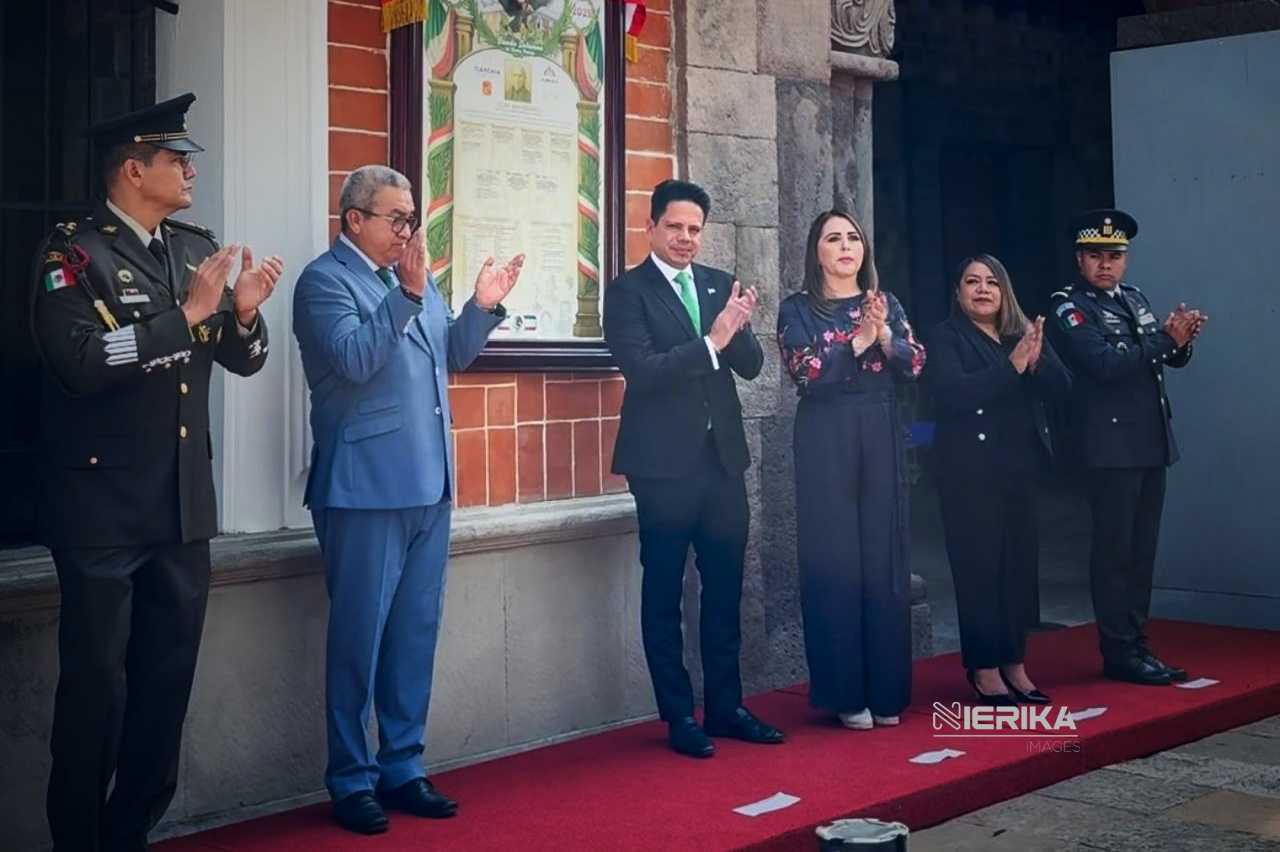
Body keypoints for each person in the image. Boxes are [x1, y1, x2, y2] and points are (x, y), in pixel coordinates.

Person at [32, 92, 280, 852]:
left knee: (165, 690)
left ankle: (130, 832)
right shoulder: (72, 255)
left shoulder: (192, 248)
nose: (190, 171)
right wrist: (186, 316)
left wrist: (242, 313)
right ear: (134, 171)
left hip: (180, 505)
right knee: (95, 694)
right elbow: (79, 362)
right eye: (177, 159)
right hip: (103, 511)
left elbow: (241, 360)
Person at [293, 164, 523, 835]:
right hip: (364, 488)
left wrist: (481, 307)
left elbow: (451, 353)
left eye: (412, 218)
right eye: (396, 218)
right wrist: (408, 294)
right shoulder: (324, 281)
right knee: (358, 641)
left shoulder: (413, 277)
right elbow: (354, 360)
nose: (408, 230)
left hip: (429, 484)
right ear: (354, 219)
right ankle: (351, 777)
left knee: (413, 635)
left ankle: (402, 764)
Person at [603, 179, 784, 759]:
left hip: (722, 463)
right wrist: (712, 341)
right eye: (675, 227)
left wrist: (738, 328)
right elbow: (644, 370)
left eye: (694, 229)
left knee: (725, 588)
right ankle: (679, 715)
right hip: (661, 467)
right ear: (651, 227)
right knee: (664, 592)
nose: (685, 238)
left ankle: (727, 706)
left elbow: (751, 366)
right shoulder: (627, 292)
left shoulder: (716, 283)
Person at [776, 209, 926, 730]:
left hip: (881, 428)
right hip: (827, 433)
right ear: (816, 253)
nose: (845, 246)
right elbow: (807, 372)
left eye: (853, 238)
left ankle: (887, 690)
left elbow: (915, 362)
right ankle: (844, 691)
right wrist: (858, 340)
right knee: (834, 556)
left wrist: (883, 335)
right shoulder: (797, 309)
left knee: (884, 557)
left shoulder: (887, 303)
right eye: (833, 238)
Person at [1047, 209, 1206, 686]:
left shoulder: (1134, 298)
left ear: (1125, 260)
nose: (1106, 264)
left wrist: (1181, 341)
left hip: (1150, 441)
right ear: (1079, 260)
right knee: (1115, 553)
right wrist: (1164, 340)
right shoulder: (1069, 307)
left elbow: (1160, 360)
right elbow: (1104, 364)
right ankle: (1118, 651)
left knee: (1141, 553)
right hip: (1110, 447)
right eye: (1095, 255)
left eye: (1114, 256)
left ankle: (1138, 645)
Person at [926, 254, 1072, 706]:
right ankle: (984, 668)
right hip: (968, 473)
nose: (983, 289)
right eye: (972, 281)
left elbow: (1064, 388)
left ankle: (1014, 663)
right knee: (979, 570)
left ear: (1005, 291)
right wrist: (1011, 366)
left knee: (1017, 571)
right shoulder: (946, 337)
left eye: (992, 282)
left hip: (1019, 470)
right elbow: (954, 394)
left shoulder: (1020, 334)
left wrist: (1036, 359)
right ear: (958, 292)